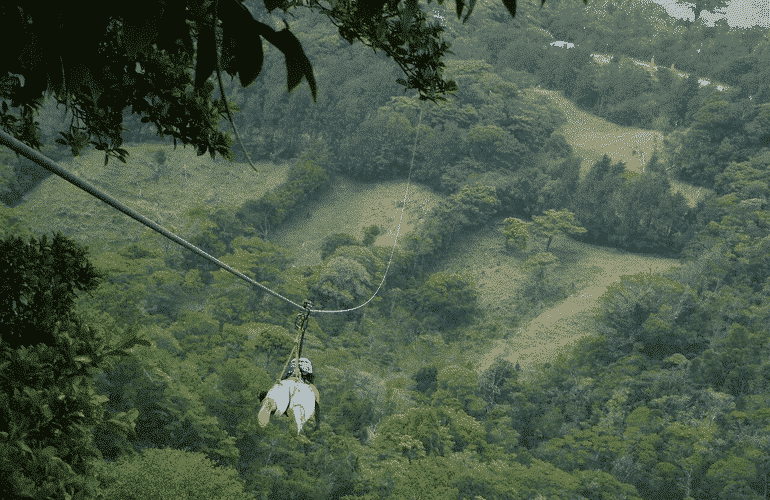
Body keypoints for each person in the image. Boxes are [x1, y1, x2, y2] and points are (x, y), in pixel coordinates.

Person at [258, 357, 320, 435]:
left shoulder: (284, 382)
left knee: (276, 401)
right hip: (300, 397)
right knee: (298, 410)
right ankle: (296, 417)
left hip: (285, 390)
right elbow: (316, 407)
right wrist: (317, 424)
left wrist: (264, 396)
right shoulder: (311, 388)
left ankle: (272, 405)